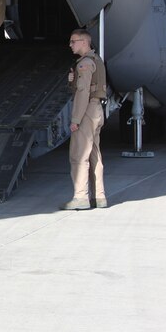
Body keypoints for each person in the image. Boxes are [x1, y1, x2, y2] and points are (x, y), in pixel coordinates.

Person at [61, 29, 108, 210]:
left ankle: (80, 197)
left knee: (79, 155)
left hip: (87, 110)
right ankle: (99, 196)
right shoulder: (96, 60)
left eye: (73, 41)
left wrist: (75, 119)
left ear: (84, 42)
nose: (70, 45)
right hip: (96, 110)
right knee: (95, 154)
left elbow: (82, 92)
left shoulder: (85, 64)